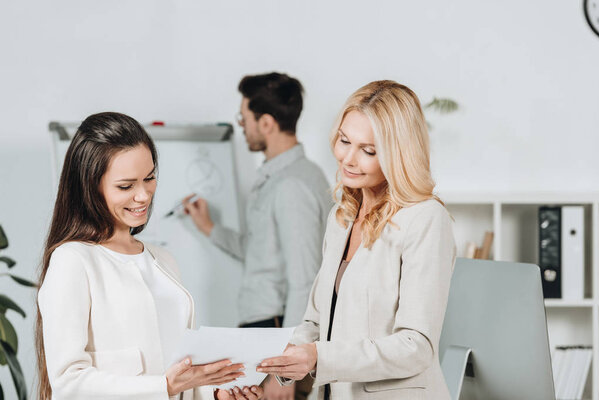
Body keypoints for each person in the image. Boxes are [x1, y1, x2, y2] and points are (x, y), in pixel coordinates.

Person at [36, 112, 264, 400]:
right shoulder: (73, 261)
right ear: (91, 186)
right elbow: (68, 383)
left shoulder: (162, 259)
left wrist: (216, 393)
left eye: (150, 178)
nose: (143, 195)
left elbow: (178, 369)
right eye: (126, 186)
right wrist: (164, 387)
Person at [257, 80, 457, 400]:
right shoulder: (343, 216)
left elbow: (416, 346)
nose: (348, 159)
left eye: (368, 151)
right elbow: (316, 318)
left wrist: (319, 357)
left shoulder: (425, 219)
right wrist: (276, 361)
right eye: (344, 141)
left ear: (397, 154)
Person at [183, 72, 332, 400]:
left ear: (266, 123)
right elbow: (260, 251)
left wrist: (285, 373)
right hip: (265, 332)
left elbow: (304, 279)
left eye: (244, 118)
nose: (242, 126)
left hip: (276, 332)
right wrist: (210, 228)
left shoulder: (292, 185)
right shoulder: (278, 179)